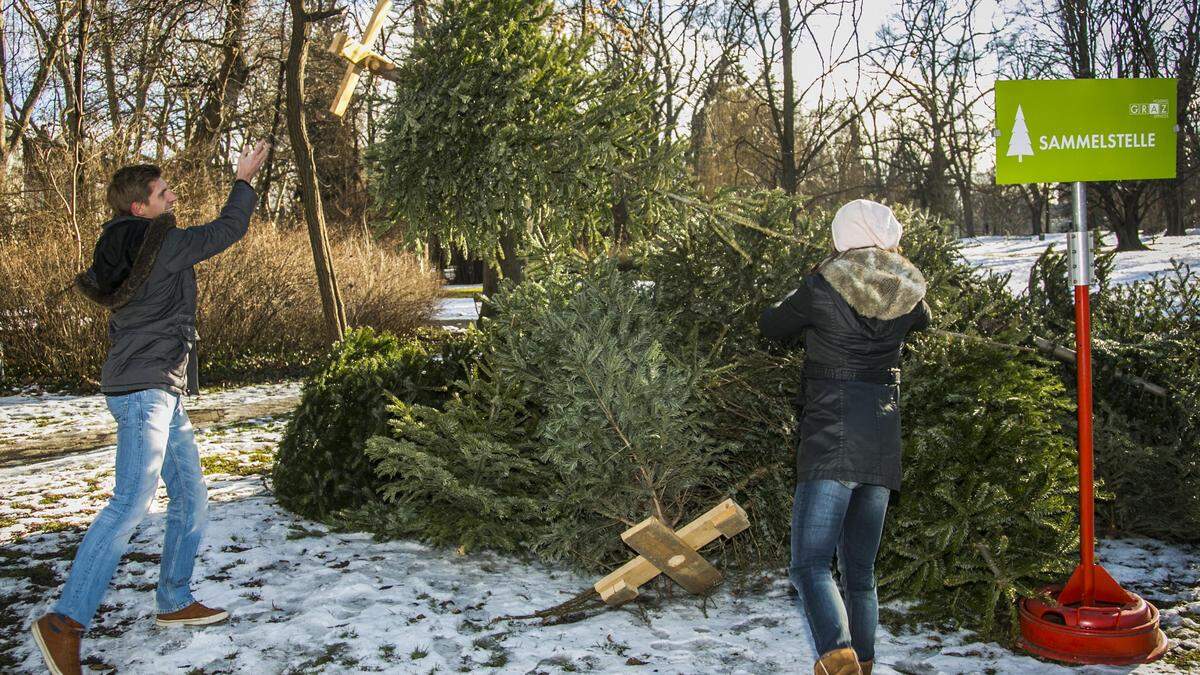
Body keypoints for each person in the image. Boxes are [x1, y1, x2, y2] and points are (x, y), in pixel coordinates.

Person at [32, 141, 270, 675]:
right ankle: (64, 622)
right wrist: (244, 180)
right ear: (141, 207)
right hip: (146, 392)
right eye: (164, 192)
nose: (172, 195)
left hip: (157, 387)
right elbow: (225, 231)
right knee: (129, 505)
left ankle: (174, 600)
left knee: (190, 495)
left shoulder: (123, 246)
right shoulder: (154, 242)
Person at [759, 199, 931, 675]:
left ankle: (838, 656)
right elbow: (924, 319)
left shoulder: (821, 286)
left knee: (810, 565)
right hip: (880, 436)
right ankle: (865, 662)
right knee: (860, 573)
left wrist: (806, 284)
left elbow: (772, 325)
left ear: (840, 236)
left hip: (830, 434)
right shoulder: (907, 289)